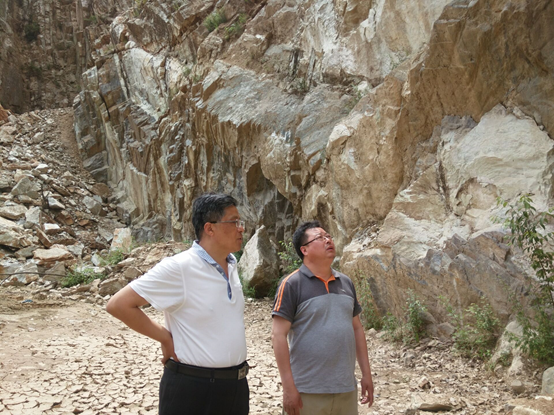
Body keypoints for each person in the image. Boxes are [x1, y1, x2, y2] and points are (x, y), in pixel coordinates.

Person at [106, 193, 249, 415]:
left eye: (240, 222)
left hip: (235, 387)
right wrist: (164, 337)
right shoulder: (180, 267)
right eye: (234, 222)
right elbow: (118, 304)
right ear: (209, 228)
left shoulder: (231, 265)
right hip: (193, 388)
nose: (241, 229)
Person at [272, 221, 374, 415]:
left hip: (346, 389)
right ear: (304, 250)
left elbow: (357, 329)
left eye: (328, 236)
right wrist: (288, 388)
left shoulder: (346, 282)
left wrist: (366, 374)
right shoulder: (291, 284)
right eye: (320, 237)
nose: (328, 240)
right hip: (307, 392)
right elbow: (278, 336)